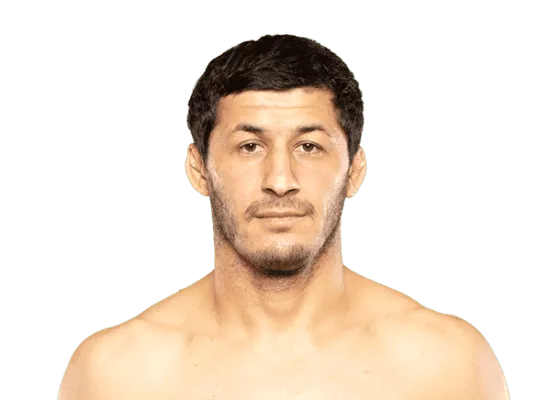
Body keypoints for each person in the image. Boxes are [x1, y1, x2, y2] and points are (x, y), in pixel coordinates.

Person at [58, 33, 510, 399]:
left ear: (354, 171)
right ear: (199, 170)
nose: (280, 180)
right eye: (249, 146)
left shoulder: (445, 366)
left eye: (308, 146)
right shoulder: (119, 376)